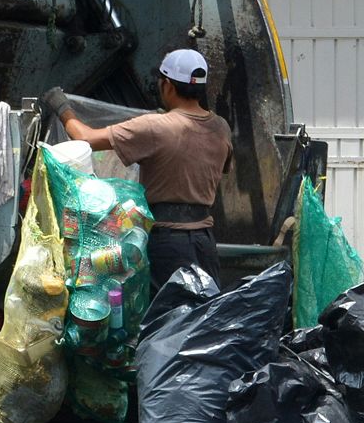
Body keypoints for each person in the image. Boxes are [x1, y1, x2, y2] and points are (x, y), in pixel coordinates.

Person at [43, 48, 234, 289]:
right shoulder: (221, 127)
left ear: (168, 86)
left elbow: (85, 137)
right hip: (204, 241)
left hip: (166, 242)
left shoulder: (156, 127)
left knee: (166, 318)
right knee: (201, 316)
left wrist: (61, 106)